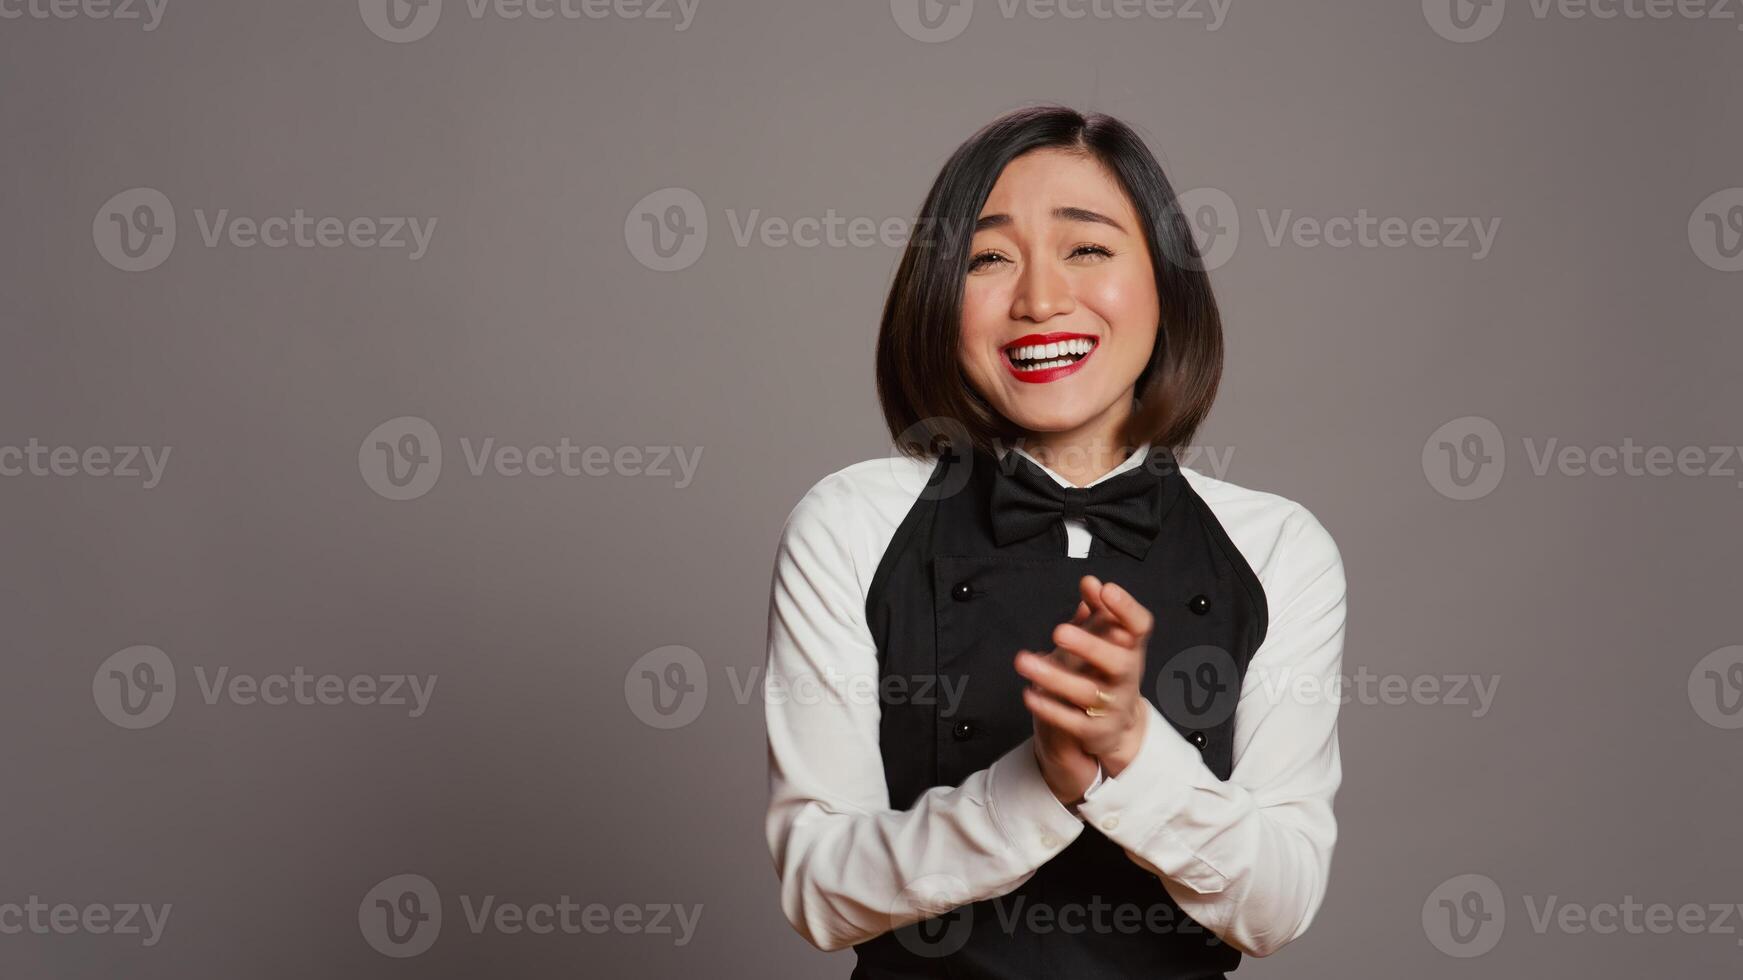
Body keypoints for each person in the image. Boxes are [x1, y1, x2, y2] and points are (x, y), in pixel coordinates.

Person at [762, 104, 1348, 979]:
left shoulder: (1278, 548)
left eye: (1087, 249)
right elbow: (818, 888)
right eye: (989, 258)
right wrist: (1037, 779)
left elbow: (1277, 905)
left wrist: (1128, 751)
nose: (1038, 299)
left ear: (1164, 283)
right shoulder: (849, 522)